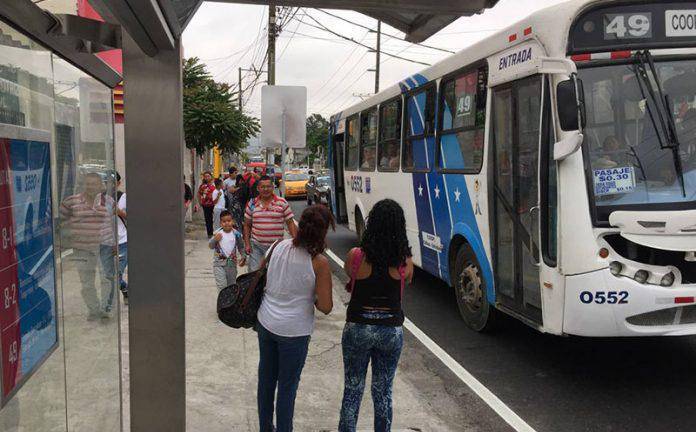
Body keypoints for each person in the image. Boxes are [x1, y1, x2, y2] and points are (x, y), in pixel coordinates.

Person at [256, 204, 334, 432]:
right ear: (322, 232)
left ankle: (265, 428)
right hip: (294, 331)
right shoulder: (319, 262)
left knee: (266, 380)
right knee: (287, 387)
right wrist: (313, 296)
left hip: (266, 322)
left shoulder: (277, 246)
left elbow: (261, 275)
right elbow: (326, 307)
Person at [338, 199, 414, 432]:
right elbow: (407, 280)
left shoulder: (355, 255)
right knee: (383, 391)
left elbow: (348, 274)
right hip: (390, 330)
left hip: (358, 328)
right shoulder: (404, 261)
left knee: (353, 388)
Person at [60, 173, 118, 319]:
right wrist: (72, 229)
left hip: (104, 246)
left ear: (100, 186)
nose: (91, 187)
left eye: (94, 184)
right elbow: (60, 221)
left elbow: (113, 223)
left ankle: (106, 309)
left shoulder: (109, 201)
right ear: (83, 185)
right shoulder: (71, 202)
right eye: (88, 184)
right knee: (87, 283)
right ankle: (94, 310)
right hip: (82, 248)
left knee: (107, 279)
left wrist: (115, 243)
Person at [243, 175, 297, 271]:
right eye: (263, 187)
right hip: (257, 247)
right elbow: (247, 225)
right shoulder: (252, 204)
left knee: (275, 274)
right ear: (258, 188)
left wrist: (295, 241)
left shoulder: (282, 202)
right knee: (255, 274)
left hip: (277, 248)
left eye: (268, 186)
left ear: (273, 187)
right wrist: (247, 244)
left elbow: (290, 222)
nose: (266, 189)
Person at [209, 210, 246, 291]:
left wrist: (243, 256)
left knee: (231, 287)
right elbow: (211, 246)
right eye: (224, 221)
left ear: (232, 221)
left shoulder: (236, 234)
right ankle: (222, 298)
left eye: (229, 221)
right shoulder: (217, 233)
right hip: (219, 264)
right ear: (220, 223)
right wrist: (215, 239)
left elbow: (241, 246)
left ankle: (229, 299)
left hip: (232, 265)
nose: (227, 223)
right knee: (222, 286)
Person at [115, 172, 128, 302]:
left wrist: (119, 212)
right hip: (106, 242)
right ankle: (125, 288)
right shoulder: (99, 198)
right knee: (108, 275)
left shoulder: (124, 197)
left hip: (122, 241)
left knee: (116, 274)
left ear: (118, 183)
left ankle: (108, 306)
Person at [198, 171, 216, 237]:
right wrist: (200, 202)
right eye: (205, 176)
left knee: (215, 219)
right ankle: (210, 234)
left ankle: (216, 232)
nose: (207, 178)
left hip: (214, 204)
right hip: (206, 205)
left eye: (208, 176)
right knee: (208, 219)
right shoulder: (202, 186)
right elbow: (199, 194)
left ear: (211, 176)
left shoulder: (214, 185)